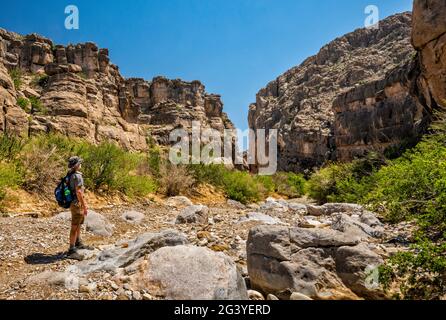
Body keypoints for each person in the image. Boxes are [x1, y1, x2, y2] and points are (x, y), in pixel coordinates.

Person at [66, 156, 92, 260]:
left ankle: (78, 242)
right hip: (77, 204)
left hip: (73, 202)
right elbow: (79, 192)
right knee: (75, 225)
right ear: (76, 165)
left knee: (78, 224)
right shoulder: (77, 176)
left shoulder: (70, 174)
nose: (81, 164)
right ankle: (71, 250)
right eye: (79, 163)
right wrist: (84, 205)